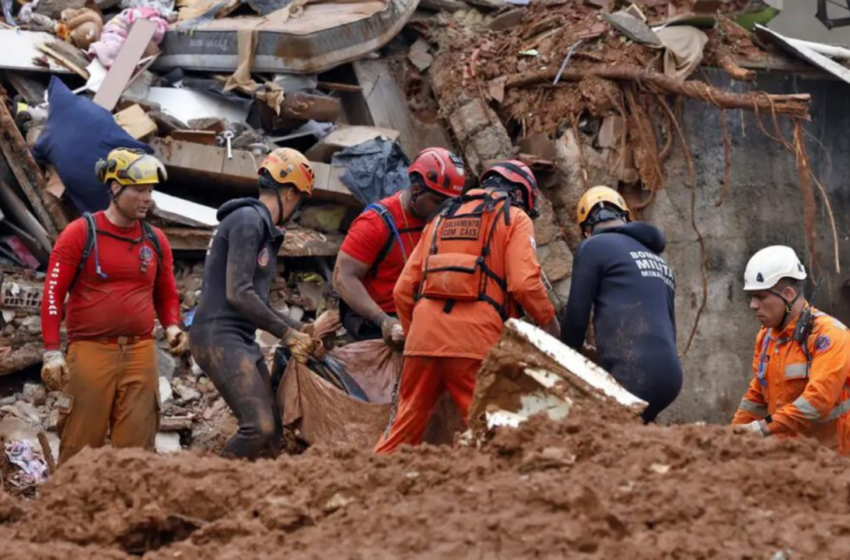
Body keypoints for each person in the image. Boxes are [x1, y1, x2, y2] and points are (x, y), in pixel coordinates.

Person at [376, 160, 559, 454]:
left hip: (422, 342)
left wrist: (416, 339)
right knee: (496, 436)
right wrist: (550, 324)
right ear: (522, 196)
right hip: (475, 344)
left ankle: (364, 487)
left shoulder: (440, 219)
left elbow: (402, 292)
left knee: (401, 434)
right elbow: (524, 284)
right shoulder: (514, 218)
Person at [40, 148, 188, 464]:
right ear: (115, 187)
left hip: (140, 353)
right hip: (91, 351)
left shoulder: (155, 240)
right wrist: (52, 352)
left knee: (136, 451)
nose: (147, 197)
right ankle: (71, 510)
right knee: (81, 446)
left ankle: (128, 512)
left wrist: (173, 325)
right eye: (139, 189)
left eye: (150, 190)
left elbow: (166, 294)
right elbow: (52, 294)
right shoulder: (79, 234)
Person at [189, 148, 337, 461]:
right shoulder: (248, 221)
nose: (297, 207)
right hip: (220, 337)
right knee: (258, 427)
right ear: (290, 192)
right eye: (300, 199)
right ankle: (203, 486)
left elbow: (254, 300)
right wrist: (288, 335)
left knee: (272, 440)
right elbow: (239, 293)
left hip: (238, 338)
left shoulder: (260, 226)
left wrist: (301, 330)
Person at [560, 186, 682, 422]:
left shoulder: (593, 247)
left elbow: (576, 319)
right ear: (626, 218)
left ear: (586, 230)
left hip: (634, 373)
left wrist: (562, 363)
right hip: (670, 376)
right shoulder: (659, 261)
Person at [333, 147, 466, 349]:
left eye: (449, 202)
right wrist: (383, 320)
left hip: (420, 319)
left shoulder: (439, 221)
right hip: (376, 323)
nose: (443, 209)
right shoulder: (376, 222)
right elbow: (343, 277)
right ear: (416, 190)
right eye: (437, 201)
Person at [732, 246, 850, 454]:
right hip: (789, 456)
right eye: (751, 297)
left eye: (760, 297)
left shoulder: (829, 336)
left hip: (831, 458)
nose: (753, 305)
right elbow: (757, 394)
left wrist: (760, 429)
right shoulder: (767, 336)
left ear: (788, 294)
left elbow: (817, 402)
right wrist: (729, 436)